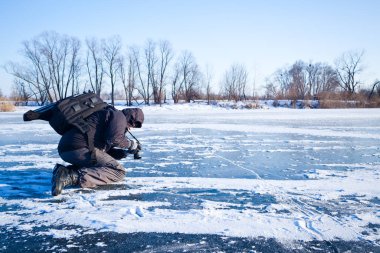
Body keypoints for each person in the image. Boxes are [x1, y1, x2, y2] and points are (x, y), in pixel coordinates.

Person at [51, 107, 144, 196]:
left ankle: (63, 172)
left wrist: (125, 153)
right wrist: (131, 144)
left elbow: (105, 151)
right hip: (80, 147)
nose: (131, 128)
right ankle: (71, 176)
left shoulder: (110, 115)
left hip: (66, 149)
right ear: (131, 119)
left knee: (98, 165)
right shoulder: (119, 117)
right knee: (118, 171)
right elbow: (114, 139)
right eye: (133, 125)